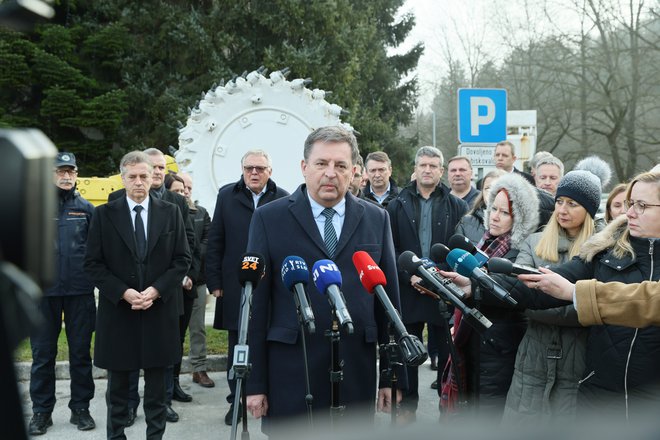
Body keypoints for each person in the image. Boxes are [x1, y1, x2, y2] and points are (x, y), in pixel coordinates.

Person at [244, 126, 403, 436]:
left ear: (355, 172)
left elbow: (389, 303)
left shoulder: (376, 218)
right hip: (292, 369)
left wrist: (391, 377)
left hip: (355, 369)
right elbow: (256, 306)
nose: (331, 173)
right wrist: (256, 383)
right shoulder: (268, 218)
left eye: (341, 166)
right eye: (322, 164)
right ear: (304, 167)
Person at [503, 171, 660, 421]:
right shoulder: (605, 249)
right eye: (631, 203)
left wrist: (576, 295)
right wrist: (476, 287)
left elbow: (649, 300)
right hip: (598, 397)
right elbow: (544, 286)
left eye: (642, 206)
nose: (629, 213)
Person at [84, 151, 191, 439]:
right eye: (132, 177)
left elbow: (182, 259)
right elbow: (93, 264)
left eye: (144, 176)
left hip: (159, 312)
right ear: (123, 178)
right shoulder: (104, 215)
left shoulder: (171, 213)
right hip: (120, 313)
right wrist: (124, 292)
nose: (139, 182)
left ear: (153, 177)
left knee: (157, 392)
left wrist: (156, 290)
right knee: (118, 392)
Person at [502, 156, 611, 425]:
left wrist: (578, 306)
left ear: (589, 209)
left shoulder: (604, 250)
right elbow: (519, 297)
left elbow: (604, 306)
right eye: (560, 201)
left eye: (572, 204)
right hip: (532, 357)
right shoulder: (535, 242)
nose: (562, 209)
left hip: (581, 357)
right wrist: (579, 303)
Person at [108, 148, 196, 423]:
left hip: (166, 293)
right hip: (128, 298)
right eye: (152, 168)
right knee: (129, 354)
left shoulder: (176, 203)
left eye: (159, 169)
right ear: (124, 178)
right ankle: (130, 405)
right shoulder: (113, 203)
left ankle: (164, 401)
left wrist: (166, 284)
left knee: (165, 351)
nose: (154, 174)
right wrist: (124, 290)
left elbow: (187, 244)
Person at [445, 172, 539, 420]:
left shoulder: (523, 250)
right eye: (493, 208)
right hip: (474, 342)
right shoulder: (484, 244)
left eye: (505, 213)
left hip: (500, 347)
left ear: (520, 218)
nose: (495, 216)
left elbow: (515, 290)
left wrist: (473, 287)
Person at [205, 149, 289, 425]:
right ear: (242, 170)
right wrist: (215, 282)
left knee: (269, 341)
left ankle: (268, 396)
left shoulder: (283, 198)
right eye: (249, 168)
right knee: (237, 346)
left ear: (270, 171)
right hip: (235, 287)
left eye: (260, 168)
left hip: (271, 287)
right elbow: (215, 241)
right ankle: (237, 402)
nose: (254, 173)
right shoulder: (226, 196)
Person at [386, 146, 468, 419]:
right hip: (409, 289)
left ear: (440, 170)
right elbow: (390, 248)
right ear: (415, 168)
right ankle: (407, 408)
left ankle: (447, 410)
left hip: (443, 290)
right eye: (423, 165)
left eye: (433, 166)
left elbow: (459, 249)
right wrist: (408, 274)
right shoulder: (396, 204)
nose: (428, 170)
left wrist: (440, 276)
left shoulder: (457, 205)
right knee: (407, 351)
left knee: (448, 355)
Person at [28, 152, 96, 436]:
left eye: (71, 171)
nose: (66, 176)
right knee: (43, 355)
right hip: (44, 295)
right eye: (60, 171)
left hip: (80, 293)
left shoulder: (87, 209)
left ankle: (81, 408)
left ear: (77, 174)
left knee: (80, 354)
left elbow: (96, 252)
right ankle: (41, 412)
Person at [179, 172, 214, 389]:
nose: (186, 192)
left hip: (197, 281)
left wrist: (190, 269)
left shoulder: (201, 213)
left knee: (197, 327)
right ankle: (168, 373)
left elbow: (206, 242)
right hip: (171, 283)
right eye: (182, 189)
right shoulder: (165, 212)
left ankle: (198, 368)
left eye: (189, 188)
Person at [455, 169, 506, 244]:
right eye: (487, 188)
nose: (491, 192)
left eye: (497, 188)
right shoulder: (466, 222)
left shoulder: (519, 225)